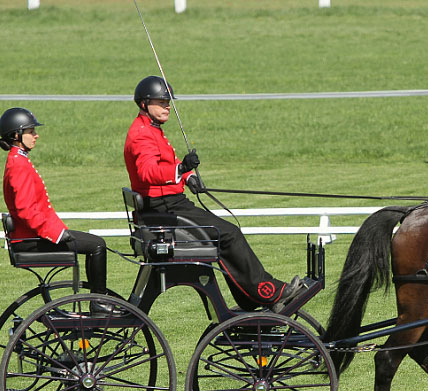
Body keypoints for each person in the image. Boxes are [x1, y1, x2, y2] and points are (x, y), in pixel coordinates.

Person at [123, 76, 304, 311]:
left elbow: (164, 161)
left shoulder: (151, 129)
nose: (168, 106)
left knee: (226, 233)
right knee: (228, 234)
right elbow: (148, 172)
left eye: (169, 101)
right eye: (162, 101)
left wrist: (188, 177)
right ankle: (268, 293)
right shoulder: (142, 134)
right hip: (165, 207)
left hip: (168, 203)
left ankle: (249, 298)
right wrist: (180, 169)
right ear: (144, 104)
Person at [0, 107, 120, 315]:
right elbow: (25, 210)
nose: (36, 135)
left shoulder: (18, 160)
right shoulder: (18, 164)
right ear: (16, 135)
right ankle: (99, 302)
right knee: (97, 245)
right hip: (32, 240)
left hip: (32, 235)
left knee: (94, 243)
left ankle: (99, 300)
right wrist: (55, 233)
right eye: (30, 131)